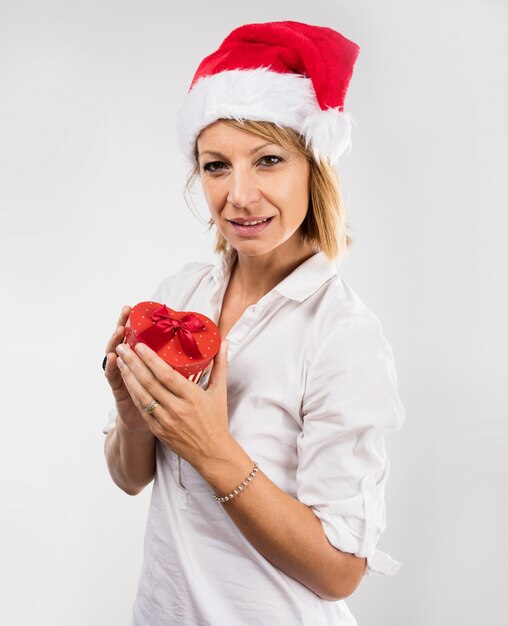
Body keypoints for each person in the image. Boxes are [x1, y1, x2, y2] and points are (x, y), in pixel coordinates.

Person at [102, 20, 406, 626]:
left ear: (314, 168)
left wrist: (214, 450)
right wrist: (135, 419)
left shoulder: (343, 336)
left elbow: (340, 570)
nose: (239, 196)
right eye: (217, 166)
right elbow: (130, 478)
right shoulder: (181, 294)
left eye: (268, 160)